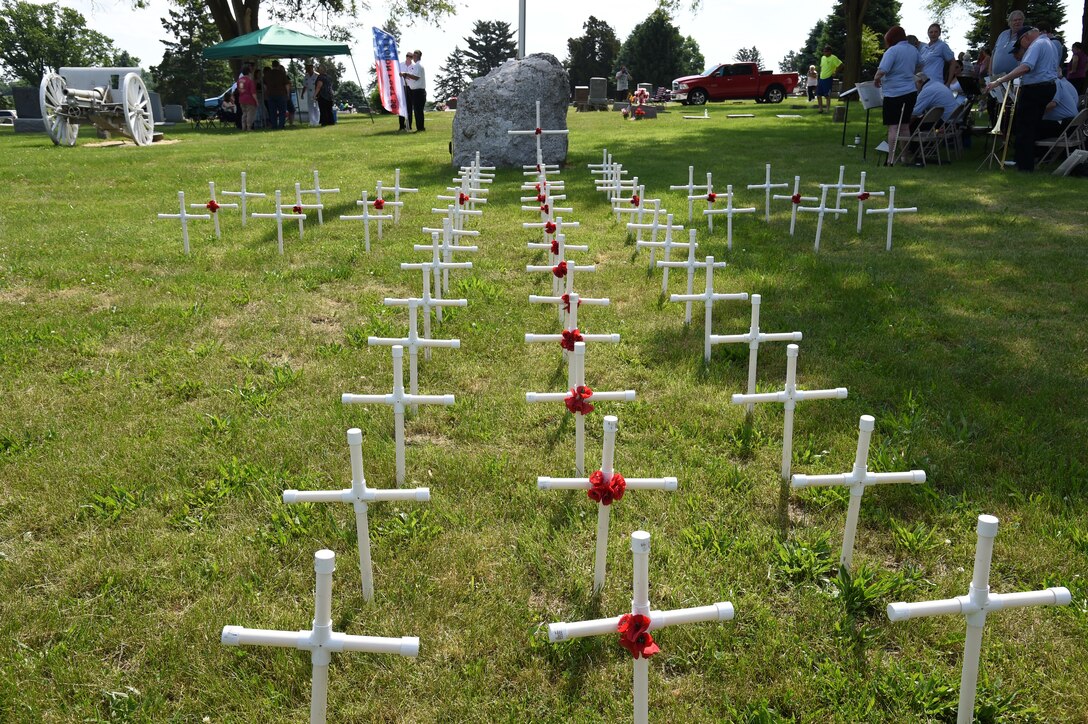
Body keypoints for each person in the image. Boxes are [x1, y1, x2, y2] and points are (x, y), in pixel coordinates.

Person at [985, 26, 1059, 172]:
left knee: (1024, 127)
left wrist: (999, 81)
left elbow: (1026, 67)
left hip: (1035, 89)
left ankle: (1024, 166)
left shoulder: (1036, 44)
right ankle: (1027, 161)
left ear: (1024, 38)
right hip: (1047, 87)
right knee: (1031, 126)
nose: (1022, 48)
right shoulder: (1050, 43)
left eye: (1020, 44)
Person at [874, 26, 920, 164]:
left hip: (893, 93)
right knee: (905, 125)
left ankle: (891, 158)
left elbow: (883, 70)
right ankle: (905, 156)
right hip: (910, 92)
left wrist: (876, 79)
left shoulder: (892, 51)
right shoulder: (913, 49)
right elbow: (920, 64)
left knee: (893, 127)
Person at [989, 10, 1026, 125]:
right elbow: (994, 53)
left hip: (1013, 78)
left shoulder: (1025, 34)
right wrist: (990, 72)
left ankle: (1009, 133)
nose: (1017, 22)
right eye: (1014, 20)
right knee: (992, 103)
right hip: (996, 77)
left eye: (1019, 19)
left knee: (1011, 106)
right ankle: (997, 129)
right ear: (1009, 22)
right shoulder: (1003, 34)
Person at [920, 23, 955, 88]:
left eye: (936, 32)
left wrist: (948, 82)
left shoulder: (942, 46)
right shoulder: (923, 48)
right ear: (928, 33)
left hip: (935, 83)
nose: (933, 34)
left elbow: (953, 63)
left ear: (939, 33)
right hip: (923, 83)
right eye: (931, 32)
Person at [403, 50, 426, 131]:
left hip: (418, 91)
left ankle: (420, 128)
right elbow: (413, 78)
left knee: (418, 111)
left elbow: (416, 77)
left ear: (419, 56)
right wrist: (406, 76)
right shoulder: (416, 66)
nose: (414, 57)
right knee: (417, 111)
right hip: (416, 91)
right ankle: (420, 127)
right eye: (413, 55)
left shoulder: (418, 65)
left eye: (415, 55)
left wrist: (406, 74)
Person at [816, 45, 842, 113]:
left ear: (830, 51)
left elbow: (841, 65)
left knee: (826, 95)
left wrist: (835, 72)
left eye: (826, 51)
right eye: (824, 51)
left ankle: (827, 109)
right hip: (821, 78)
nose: (824, 53)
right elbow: (822, 67)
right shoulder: (823, 58)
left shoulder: (833, 58)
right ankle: (820, 109)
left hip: (828, 78)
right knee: (818, 95)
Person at [266, 59, 290, 129]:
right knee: (282, 111)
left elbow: (264, 85)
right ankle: (281, 125)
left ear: (272, 65)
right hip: (281, 94)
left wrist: (266, 92)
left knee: (272, 111)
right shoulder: (281, 73)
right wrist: (288, 94)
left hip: (270, 94)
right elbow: (287, 85)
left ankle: (274, 125)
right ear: (278, 65)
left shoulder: (267, 74)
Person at [237, 65, 258, 132]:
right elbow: (253, 93)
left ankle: (243, 127)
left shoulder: (239, 80)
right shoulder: (250, 81)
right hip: (250, 99)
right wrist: (256, 101)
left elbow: (240, 89)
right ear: (249, 72)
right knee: (250, 114)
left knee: (244, 113)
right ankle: (249, 127)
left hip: (241, 99)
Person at [398, 52, 414, 132]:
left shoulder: (414, 67)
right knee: (402, 107)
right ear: (406, 56)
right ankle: (401, 126)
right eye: (407, 56)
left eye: (410, 56)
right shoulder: (400, 65)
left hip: (410, 88)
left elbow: (414, 77)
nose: (408, 57)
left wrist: (407, 76)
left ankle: (409, 125)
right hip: (402, 87)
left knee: (409, 107)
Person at [303, 62, 320, 126]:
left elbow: (319, 85)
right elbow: (305, 86)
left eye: (308, 68)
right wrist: (302, 94)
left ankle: (317, 121)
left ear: (312, 68)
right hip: (309, 94)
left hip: (316, 93)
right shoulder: (306, 76)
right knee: (310, 108)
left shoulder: (317, 75)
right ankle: (311, 121)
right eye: (306, 69)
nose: (307, 70)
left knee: (316, 108)